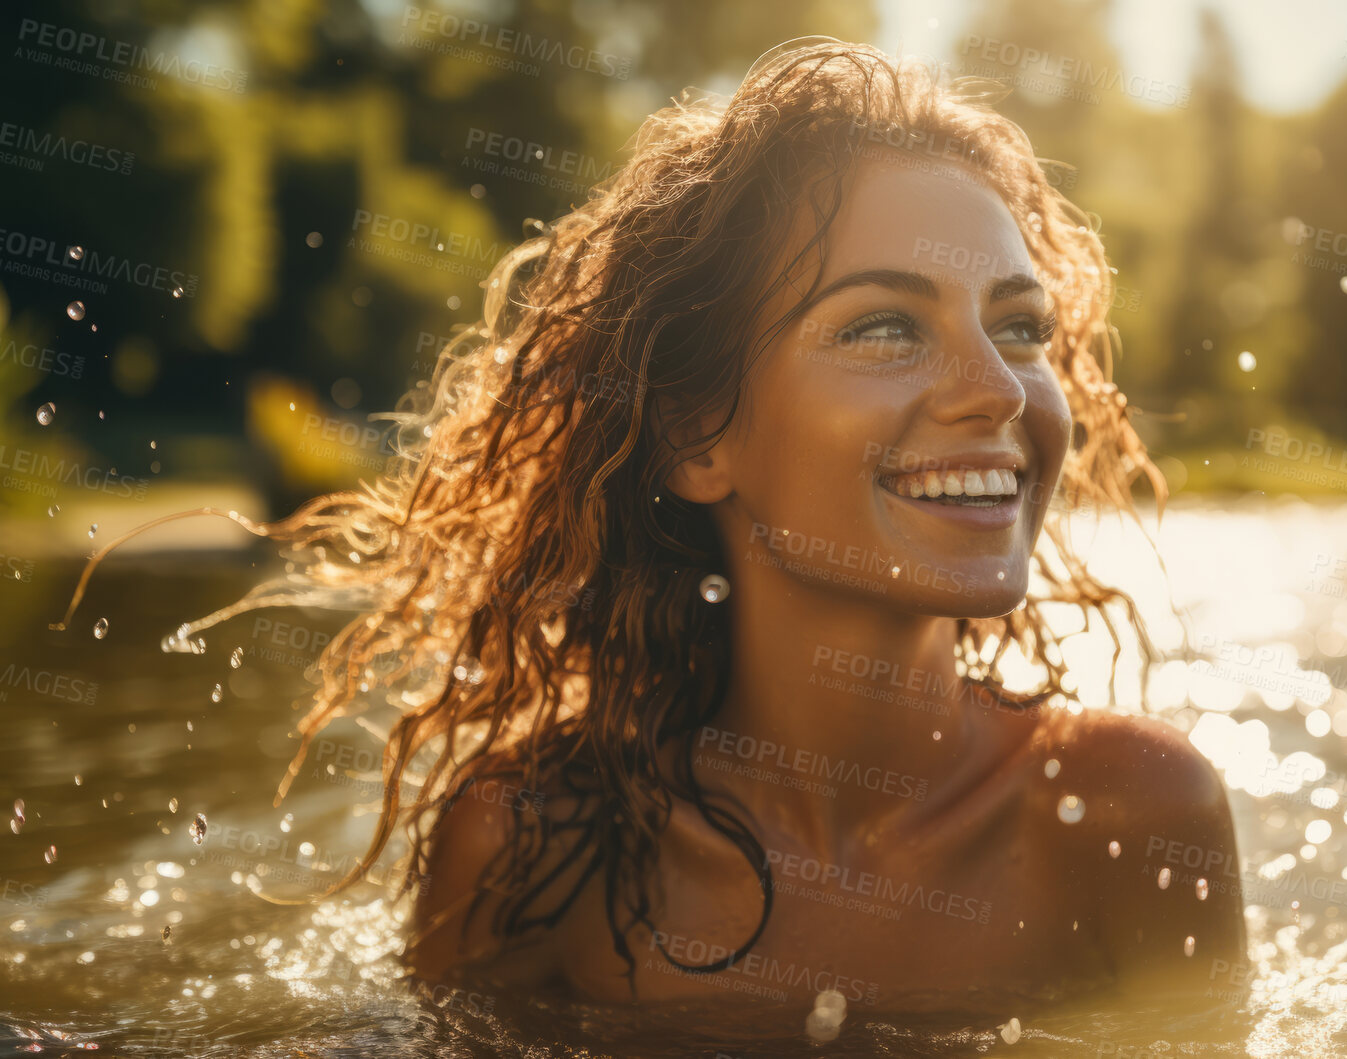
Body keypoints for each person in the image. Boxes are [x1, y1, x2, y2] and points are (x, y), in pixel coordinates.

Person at [167, 39, 1245, 1018]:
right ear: (694, 435)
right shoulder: (533, 850)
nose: (1000, 390)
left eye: (1018, 327)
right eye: (882, 325)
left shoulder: (1128, 816)